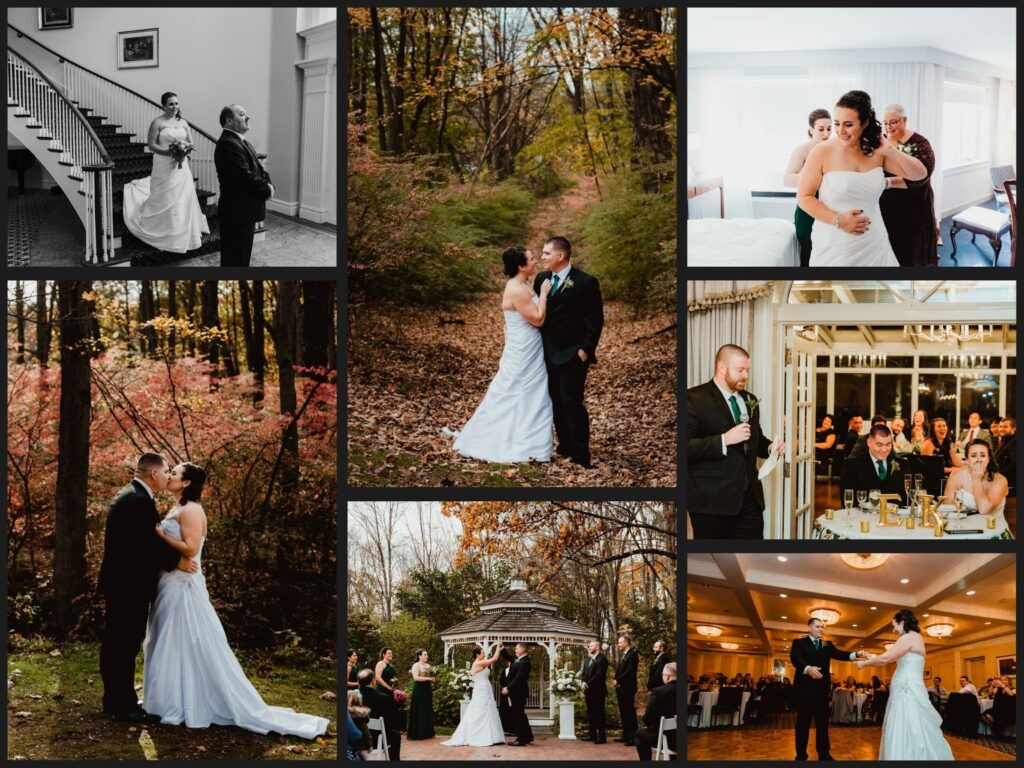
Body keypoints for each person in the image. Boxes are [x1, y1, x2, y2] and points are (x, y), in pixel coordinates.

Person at [143, 462, 327, 737]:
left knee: (186, 638)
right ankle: (169, 698)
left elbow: (191, 549)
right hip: (169, 582)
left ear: (186, 483)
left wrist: (159, 535)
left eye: (175, 474)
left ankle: (190, 701)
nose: (169, 477)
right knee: (168, 639)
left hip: (184, 584)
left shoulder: (192, 510)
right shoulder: (177, 508)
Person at [98, 453, 197, 723]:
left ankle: (114, 699)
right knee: (125, 643)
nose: (168, 476)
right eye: (166, 471)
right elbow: (147, 545)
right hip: (129, 585)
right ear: (154, 474)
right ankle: (125, 706)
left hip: (120, 582)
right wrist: (178, 562)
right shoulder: (139, 501)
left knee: (116, 642)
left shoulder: (128, 495)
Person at [444, 247, 553, 462]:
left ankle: (527, 440)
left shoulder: (522, 285)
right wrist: (544, 296)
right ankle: (501, 441)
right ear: (521, 266)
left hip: (528, 344)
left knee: (532, 392)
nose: (536, 261)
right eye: (531, 259)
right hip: (523, 348)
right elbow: (538, 319)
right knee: (514, 390)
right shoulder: (517, 289)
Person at [797, 90, 927, 266]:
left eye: (848, 125)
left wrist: (889, 150)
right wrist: (838, 220)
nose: (840, 131)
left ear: (864, 123)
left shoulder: (877, 152)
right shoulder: (822, 152)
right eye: (837, 123)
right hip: (835, 243)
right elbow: (804, 197)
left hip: (874, 241)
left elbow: (919, 174)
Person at [687, 344, 785, 538]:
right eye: (740, 370)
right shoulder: (694, 398)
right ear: (722, 368)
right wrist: (724, 439)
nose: (745, 375)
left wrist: (770, 447)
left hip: (750, 501)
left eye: (747, 370)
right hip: (711, 504)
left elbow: (754, 438)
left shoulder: (750, 399)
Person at [532, 236, 605, 468]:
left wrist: (584, 351)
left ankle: (582, 455)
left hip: (572, 354)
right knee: (554, 401)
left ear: (560, 256)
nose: (542, 257)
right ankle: (565, 446)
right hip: (545, 354)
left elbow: (595, 320)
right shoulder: (542, 279)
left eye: (546, 253)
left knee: (571, 402)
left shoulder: (586, 282)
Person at [856, 609, 953, 760]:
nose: (894, 630)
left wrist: (863, 664)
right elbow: (888, 657)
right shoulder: (914, 638)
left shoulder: (908, 637)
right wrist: (873, 657)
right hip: (908, 686)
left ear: (902, 622)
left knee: (905, 723)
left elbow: (885, 659)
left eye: (895, 625)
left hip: (906, 689)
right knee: (913, 723)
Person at [122, 92, 210, 253]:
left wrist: (183, 152)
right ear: (163, 106)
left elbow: (191, 143)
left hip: (181, 165)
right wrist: (170, 152)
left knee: (182, 196)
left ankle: (181, 231)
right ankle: (162, 230)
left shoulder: (183, 123)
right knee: (164, 194)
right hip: (163, 163)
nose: (174, 107)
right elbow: (152, 145)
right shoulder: (157, 122)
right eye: (171, 104)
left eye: (176, 103)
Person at [791, 617, 866, 760]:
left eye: (822, 627)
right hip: (804, 693)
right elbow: (795, 658)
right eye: (818, 627)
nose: (821, 629)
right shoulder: (799, 643)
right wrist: (807, 668)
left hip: (821, 692)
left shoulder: (827, 644)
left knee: (823, 725)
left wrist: (855, 654)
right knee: (802, 725)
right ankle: (801, 755)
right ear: (809, 628)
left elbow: (840, 654)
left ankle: (824, 754)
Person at [878, 104, 938, 266]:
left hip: (915, 205)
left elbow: (922, 177)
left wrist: (887, 182)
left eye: (892, 122)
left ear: (904, 120)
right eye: (884, 123)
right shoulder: (880, 142)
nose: (888, 127)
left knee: (912, 250)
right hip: (887, 205)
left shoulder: (920, 143)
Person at [214, 104, 274, 266]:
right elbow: (244, 176)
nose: (247, 117)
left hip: (243, 213)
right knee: (235, 261)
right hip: (236, 214)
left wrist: (269, 186)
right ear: (229, 121)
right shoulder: (228, 143)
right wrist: (266, 189)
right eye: (241, 114)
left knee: (242, 259)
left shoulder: (241, 142)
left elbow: (260, 170)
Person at [784, 108, 833, 266]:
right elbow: (787, 180)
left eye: (829, 129)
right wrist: (812, 177)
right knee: (808, 251)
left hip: (830, 207)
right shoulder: (802, 151)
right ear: (811, 130)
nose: (826, 133)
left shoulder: (835, 149)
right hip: (807, 209)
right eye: (821, 129)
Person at [442, 644, 507, 747]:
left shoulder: (480, 663)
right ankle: (481, 736)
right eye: (483, 653)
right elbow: (494, 659)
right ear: (477, 655)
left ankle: (494, 736)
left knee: (488, 709)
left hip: (485, 688)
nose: (485, 654)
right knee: (480, 710)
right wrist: (498, 647)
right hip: (481, 689)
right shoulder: (478, 663)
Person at [840, 424, 908, 504]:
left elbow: (907, 500)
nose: (884, 449)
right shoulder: (852, 466)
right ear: (869, 442)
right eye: (879, 445)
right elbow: (848, 500)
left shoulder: (903, 464)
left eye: (888, 444)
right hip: (863, 515)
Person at [942, 439, 1010, 519]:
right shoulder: (956, 476)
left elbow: (984, 510)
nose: (978, 460)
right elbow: (947, 508)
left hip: (993, 527)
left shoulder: (1000, 480)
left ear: (989, 459)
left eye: (983, 455)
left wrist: (976, 479)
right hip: (964, 526)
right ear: (967, 459)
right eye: (973, 456)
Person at [634, 662, 677, 761]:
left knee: (639, 734)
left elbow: (648, 719)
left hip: (667, 740)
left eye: (662, 674)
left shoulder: (659, 692)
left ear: (668, 676)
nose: (662, 677)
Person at [359, 668, 402, 759]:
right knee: (395, 735)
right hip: (377, 739)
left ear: (358, 682)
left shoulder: (353, 696)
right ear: (373, 681)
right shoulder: (383, 698)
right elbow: (391, 721)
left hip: (357, 737)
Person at [502, 642, 534, 746]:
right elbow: (508, 657)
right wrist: (502, 648)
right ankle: (528, 736)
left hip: (519, 693)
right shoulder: (517, 659)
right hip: (515, 693)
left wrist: (508, 688)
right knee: (521, 715)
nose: (515, 650)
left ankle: (521, 739)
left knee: (518, 716)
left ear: (522, 649)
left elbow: (519, 679)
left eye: (516, 648)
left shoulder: (525, 662)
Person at [613, 635, 639, 746]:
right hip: (621, 687)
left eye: (620, 642)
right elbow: (619, 670)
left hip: (628, 687)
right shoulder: (623, 654)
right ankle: (625, 735)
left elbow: (630, 671)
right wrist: (616, 681)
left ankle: (633, 737)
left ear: (626, 643)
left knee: (629, 712)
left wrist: (618, 680)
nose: (618, 645)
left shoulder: (633, 654)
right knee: (623, 712)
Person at [581, 639, 608, 743]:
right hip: (588, 691)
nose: (589, 648)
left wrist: (587, 683)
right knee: (591, 713)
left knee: (599, 714)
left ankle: (601, 737)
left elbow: (599, 675)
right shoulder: (588, 659)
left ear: (597, 647)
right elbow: (584, 673)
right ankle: (591, 735)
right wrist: (583, 682)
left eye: (591, 646)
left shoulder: (602, 659)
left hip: (598, 691)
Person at [407, 649, 436, 740]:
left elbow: (432, 676)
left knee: (427, 709)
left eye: (427, 654)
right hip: (419, 689)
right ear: (419, 656)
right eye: (425, 654)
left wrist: (434, 678)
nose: (427, 656)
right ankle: (418, 733)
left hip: (427, 689)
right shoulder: (416, 665)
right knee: (419, 709)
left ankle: (427, 732)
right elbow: (416, 678)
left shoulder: (428, 666)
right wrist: (428, 678)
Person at [994, 418, 1016, 490]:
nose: (1001, 429)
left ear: (1014, 429)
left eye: (1005, 427)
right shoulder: (1005, 440)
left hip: (1006, 482)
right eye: (1000, 426)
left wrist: (997, 474)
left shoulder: (1014, 442)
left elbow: (1014, 465)